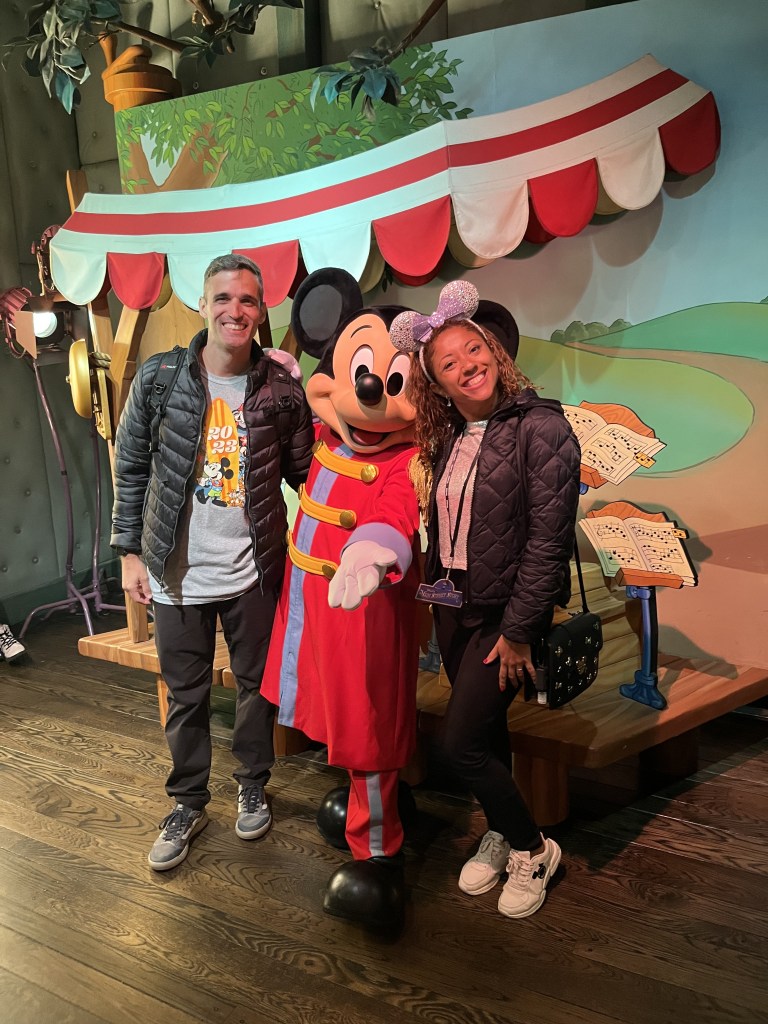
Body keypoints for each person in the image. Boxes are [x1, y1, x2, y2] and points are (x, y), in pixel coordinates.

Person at [112, 253, 314, 871]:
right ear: (203, 304)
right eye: (223, 297)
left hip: (253, 569)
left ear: (261, 310)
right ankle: (188, 801)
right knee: (186, 695)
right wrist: (128, 552)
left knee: (256, 687)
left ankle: (252, 782)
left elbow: (309, 476)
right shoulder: (159, 378)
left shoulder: (281, 391)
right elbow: (131, 467)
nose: (235, 310)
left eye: (247, 299)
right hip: (175, 572)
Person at [390, 280, 580, 919]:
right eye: (449, 363)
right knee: (487, 731)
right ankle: (500, 829)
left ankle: (531, 848)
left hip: (505, 614)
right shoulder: (448, 437)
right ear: (437, 385)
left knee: (461, 743)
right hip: (454, 608)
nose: (467, 365)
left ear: (494, 352)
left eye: (474, 350)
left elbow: (549, 541)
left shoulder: (542, 427)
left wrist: (521, 629)